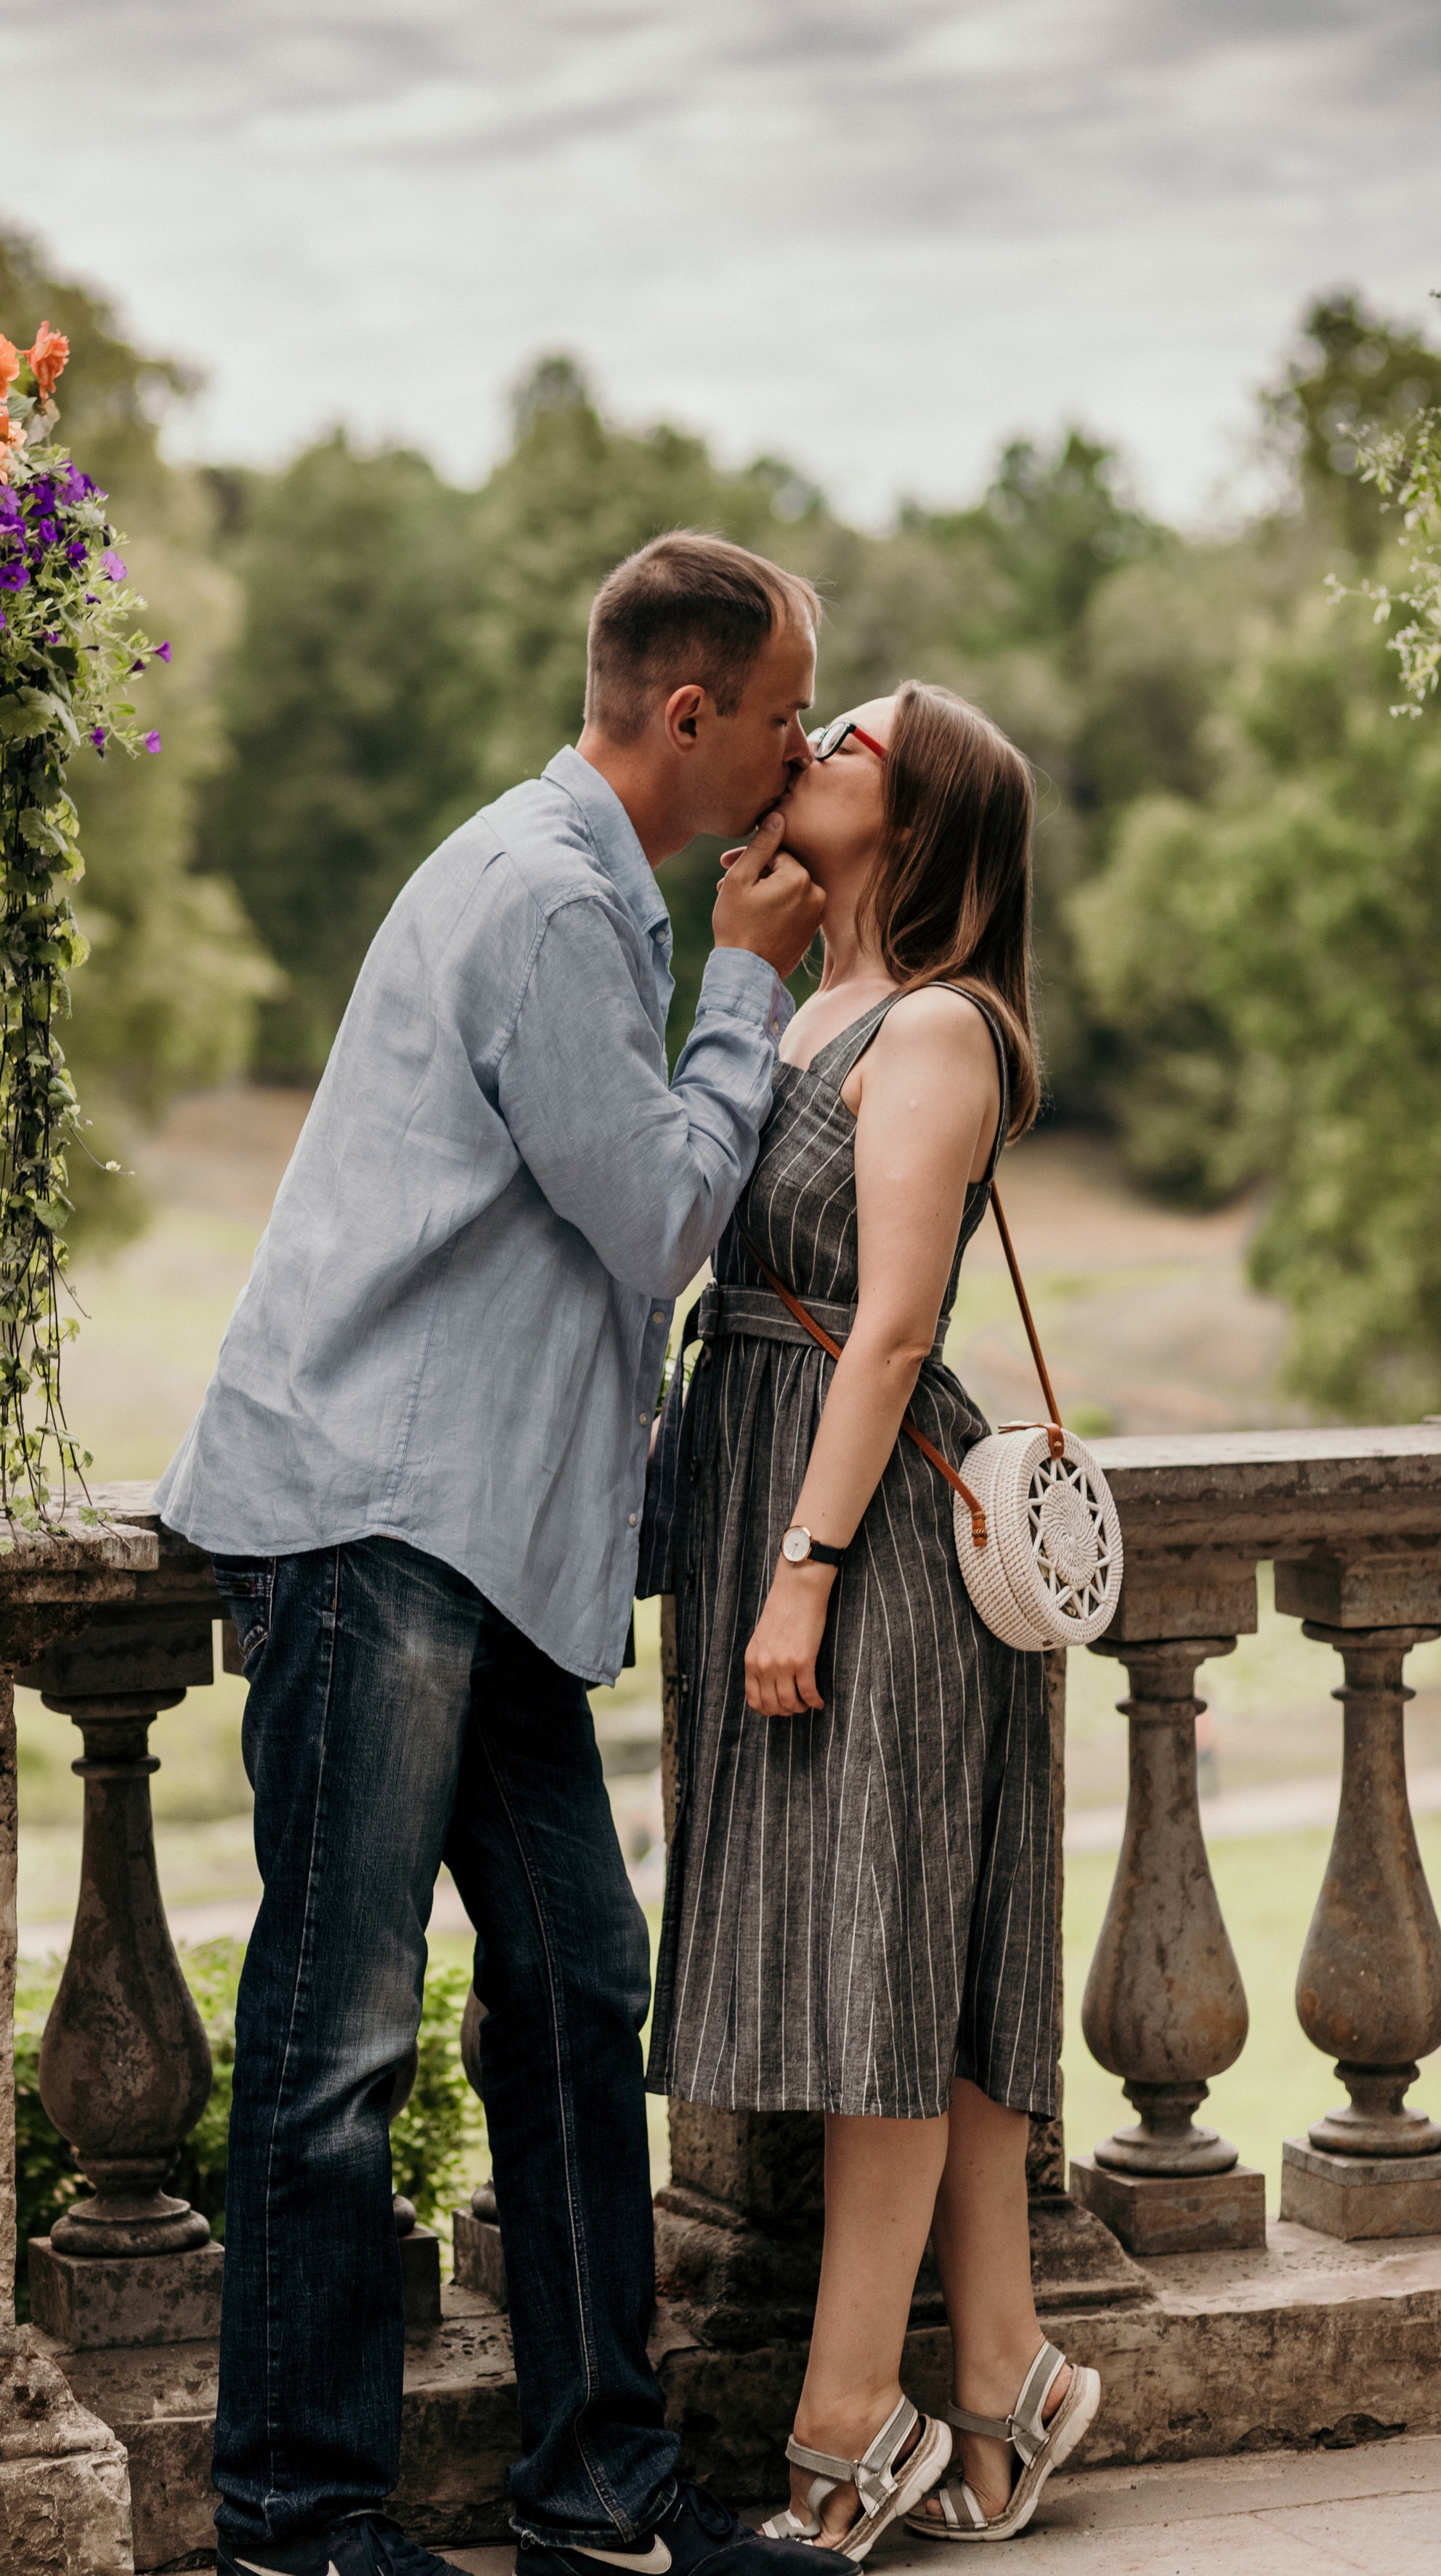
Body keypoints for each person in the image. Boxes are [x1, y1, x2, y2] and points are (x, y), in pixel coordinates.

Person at [156, 534, 846, 2576]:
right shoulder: (552, 899)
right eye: (787, 714)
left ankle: (602, 2491)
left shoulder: (570, 885)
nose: (801, 750)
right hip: (377, 1519)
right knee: (340, 2036)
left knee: (573, 1988)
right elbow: (655, 1221)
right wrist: (750, 983)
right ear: (692, 713)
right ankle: (296, 2518)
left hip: (486, 1543)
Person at [647, 684, 1102, 2559]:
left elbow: (898, 1322)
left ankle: (847, 2424)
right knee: (912, 1950)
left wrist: (808, 1564)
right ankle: (1003, 2370)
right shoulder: (811, 1003)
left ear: (917, 822)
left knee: (881, 1969)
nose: (814, 741)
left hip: (871, 1528)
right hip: (776, 1477)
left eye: (853, 740)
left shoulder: (935, 1026)